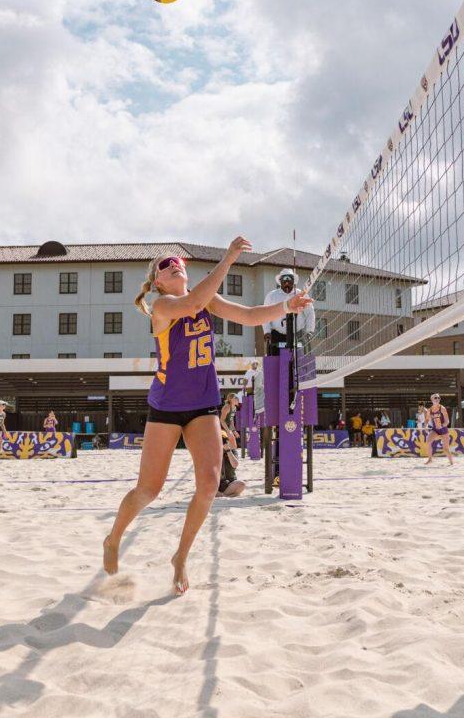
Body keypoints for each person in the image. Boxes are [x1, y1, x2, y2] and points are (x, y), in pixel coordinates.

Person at [102, 240, 312, 595]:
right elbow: (194, 303)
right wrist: (229, 256)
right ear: (157, 281)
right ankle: (113, 539)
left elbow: (247, 316)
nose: (175, 265)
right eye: (166, 265)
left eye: (179, 262)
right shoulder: (162, 305)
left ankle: (180, 557)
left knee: (208, 486)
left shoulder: (206, 300)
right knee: (149, 489)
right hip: (167, 405)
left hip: (203, 404)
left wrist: (285, 308)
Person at [263, 268, 316, 354]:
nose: (287, 282)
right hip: (277, 336)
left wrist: (309, 331)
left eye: (289, 278)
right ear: (280, 281)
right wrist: (267, 332)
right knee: (276, 362)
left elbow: (310, 313)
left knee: (299, 362)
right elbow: (265, 314)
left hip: (298, 335)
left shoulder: (301, 295)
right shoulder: (271, 296)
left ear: (293, 281)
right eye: (284, 279)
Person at [425, 394, 455, 466]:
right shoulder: (430, 410)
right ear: (432, 399)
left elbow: (447, 421)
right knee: (428, 442)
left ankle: (451, 462)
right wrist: (426, 425)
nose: (437, 399)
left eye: (439, 398)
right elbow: (427, 419)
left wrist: (441, 426)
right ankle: (430, 459)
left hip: (443, 429)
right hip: (435, 429)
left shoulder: (442, 408)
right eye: (435, 398)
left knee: (446, 449)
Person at [216, 429, 246, 497]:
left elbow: (235, 465)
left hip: (229, 483)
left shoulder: (232, 451)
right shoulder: (212, 452)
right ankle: (226, 495)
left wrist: (228, 450)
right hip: (215, 484)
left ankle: (222, 495)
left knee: (242, 484)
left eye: (223, 441)